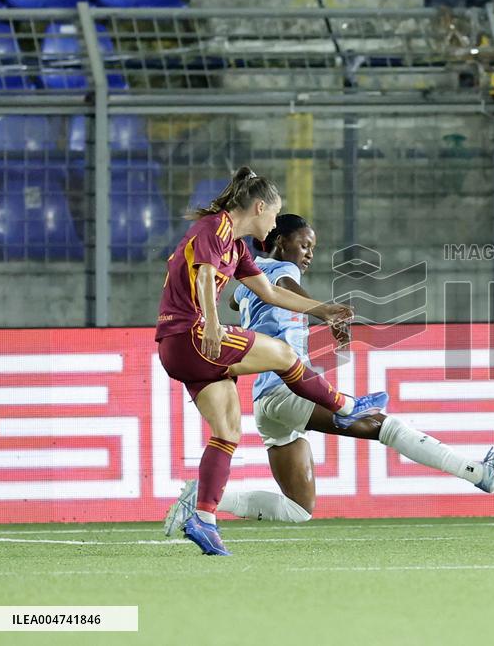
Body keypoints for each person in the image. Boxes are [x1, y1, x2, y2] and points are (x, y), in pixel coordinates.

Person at [162, 214, 494, 531]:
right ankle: (479, 473)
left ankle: (205, 497)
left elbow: (238, 300)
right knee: (384, 425)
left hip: (267, 404)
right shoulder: (285, 272)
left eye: (312, 247)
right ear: (281, 242)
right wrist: (322, 310)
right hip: (289, 390)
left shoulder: (247, 280)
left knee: (299, 508)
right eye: (304, 244)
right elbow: (284, 287)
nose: (309, 253)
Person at [156, 168, 389, 556]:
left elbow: (272, 294)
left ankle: (204, 519)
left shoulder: (240, 249)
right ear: (259, 207)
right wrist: (213, 322)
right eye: (273, 214)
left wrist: (324, 310)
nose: (274, 223)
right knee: (282, 353)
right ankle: (346, 406)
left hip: (178, 347)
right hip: (192, 335)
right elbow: (206, 275)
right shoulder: (216, 228)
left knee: (228, 432)